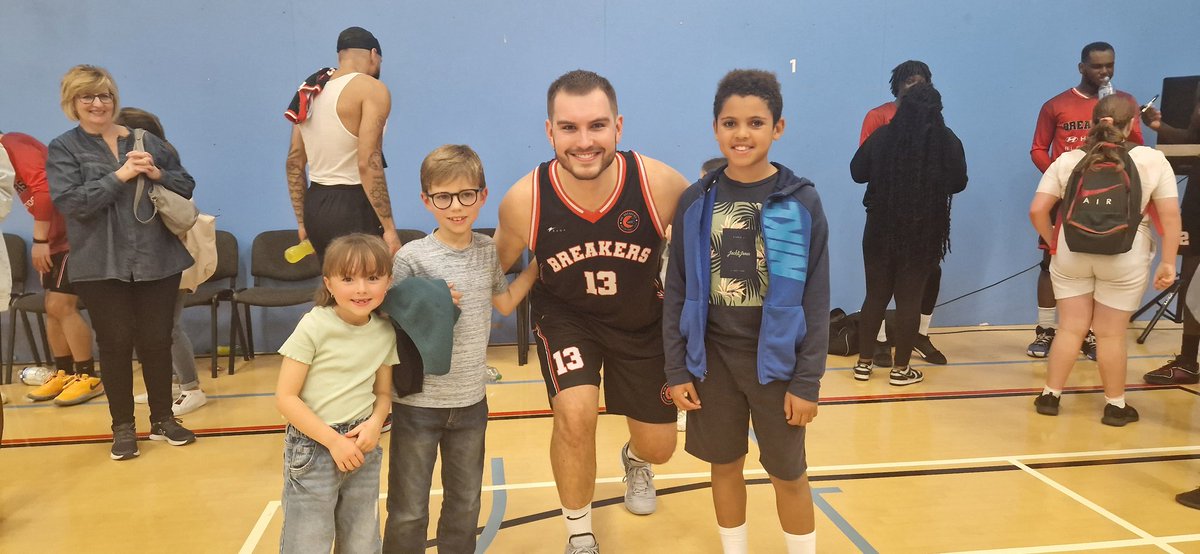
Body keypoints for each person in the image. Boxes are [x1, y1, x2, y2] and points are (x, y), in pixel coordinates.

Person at [493, 69, 690, 553]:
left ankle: (634, 459)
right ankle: (579, 532)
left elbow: (699, 270)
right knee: (575, 415)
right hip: (567, 319)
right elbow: (490, 270)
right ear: (549, 131)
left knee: (660, 449)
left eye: (597, 126)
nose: (584, 141)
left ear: (618, 127)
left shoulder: (661, 185)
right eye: (569, 128)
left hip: (642, 322)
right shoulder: (524, 200)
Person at [664, 69, 828, 554]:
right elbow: (676, 290)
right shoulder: (696, 201)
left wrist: (807, 381)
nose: (742, 134)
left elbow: (817, 297)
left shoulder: (800, 202)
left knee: (788, 473)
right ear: (716, 127)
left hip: (776, 365)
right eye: (730, 123)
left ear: (778, 128)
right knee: (724, 465)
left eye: (755, 123)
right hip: (711, 362)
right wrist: (677, 367)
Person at [383, 144, 538, 553]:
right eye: (444, 197)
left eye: (467, 194)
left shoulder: (488, 250)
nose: (456, 206)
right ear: (426, 200)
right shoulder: (412, 258)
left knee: (465, 504)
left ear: (482, 196)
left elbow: (503, 303)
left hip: (471, 402)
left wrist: (539, 265)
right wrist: (425, 304)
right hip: (417, 403)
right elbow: (389, 325)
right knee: (408, 509)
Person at [46, 65, 197, 460]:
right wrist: (121, 175)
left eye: (105, 95)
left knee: (157, 341)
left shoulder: (144, 139)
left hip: (158, 258)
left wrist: (157, 171)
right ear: (72, 103)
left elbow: (186, 184)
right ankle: (123, 427)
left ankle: (163, 419)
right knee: (113, 345)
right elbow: (72, 203)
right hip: (100, 263)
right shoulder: (64, 148)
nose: (98, 104)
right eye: (88, 97)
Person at [1029, 95, 1180, 426]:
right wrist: (1168, 263)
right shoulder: (1153, 161)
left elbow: (1037, 210)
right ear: (1132, 125)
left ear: (1094, 121)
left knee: (1070, 328)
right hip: (1125, 254)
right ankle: (1115, 406)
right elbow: (1169, 219)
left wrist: (1055, 238)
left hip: (1071, 251)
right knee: (1111, 334)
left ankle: (1050, 396)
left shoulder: (1068, 160)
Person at [275, 233, 397, 553]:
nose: (361, 289)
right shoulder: (313, 326)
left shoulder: (385, 331)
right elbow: (286, 398)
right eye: (348, 278)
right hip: (314, 447)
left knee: (362, 541)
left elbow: (383, 394)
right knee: (307, 542)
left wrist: (374, 424)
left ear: (388, 281)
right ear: (329, 284)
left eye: (372, 278)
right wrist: (333, 441)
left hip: (363, 446)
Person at [1028, 41, 1145, 359]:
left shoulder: (1125, 104)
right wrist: (1060, 180)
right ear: (1082, 67)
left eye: (1110, 65)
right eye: (1097, 66)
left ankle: (1089, 334)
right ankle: (1045, 331)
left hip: (1108, 199)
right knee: (1050, 263)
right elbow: (1038, 148)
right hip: (1065, 200)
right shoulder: (1056, 105)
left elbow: (1138, 148)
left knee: (1101, 265)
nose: (1105, 71)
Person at [849, 83, 967, 386]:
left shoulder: (883, 136)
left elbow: (857, 172)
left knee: (875, 294)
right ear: (938, 111)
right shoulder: (947, 141)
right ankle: (900, 370)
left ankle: (863, 364)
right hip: (924, 228)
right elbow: (959, 182)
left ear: (902, 107)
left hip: (878, 226)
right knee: (909, 299)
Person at [115, 107, 209, 415]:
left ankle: (191, 387)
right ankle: (166, 383)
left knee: (169, 327)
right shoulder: (135, 171)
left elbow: (180, 217)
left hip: (173, 262)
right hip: (149, 262)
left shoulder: (163, 168)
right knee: (151, 328)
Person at [858, 60, 949, 367]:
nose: (915, 85)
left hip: (926, 219)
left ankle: (918, 337)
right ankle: (882, 344)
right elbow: (864, 167)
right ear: (897, 84)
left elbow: (953, 175)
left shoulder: (937, 126)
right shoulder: (879, 119)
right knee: (883, 289)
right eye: (910, 80)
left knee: (923, 281)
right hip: (887, 212)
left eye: (921, 80)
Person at [0, 130, 98, 406]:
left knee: (61, 305)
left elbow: (45, 191)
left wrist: (40, 240)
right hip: (54, 238)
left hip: (71, 235)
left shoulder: (13, 144)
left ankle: (88, 376)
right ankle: (64, 372)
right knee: (51, 307)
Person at [285, 26, 401, 259]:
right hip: (353, 204)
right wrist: (389, 228)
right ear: (373, 54)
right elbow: (369, 162)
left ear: (341, 56)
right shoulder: (371, 88)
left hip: (316, 204)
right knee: (368, 291)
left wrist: (302, 221)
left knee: (333, 288)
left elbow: (294, 162)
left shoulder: (311, 90)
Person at [1140, 85, 1200, 386]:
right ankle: (1189, 361)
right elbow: (1192, 138)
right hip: (1196, 205)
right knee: (1191, 281)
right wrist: (1158, 126)